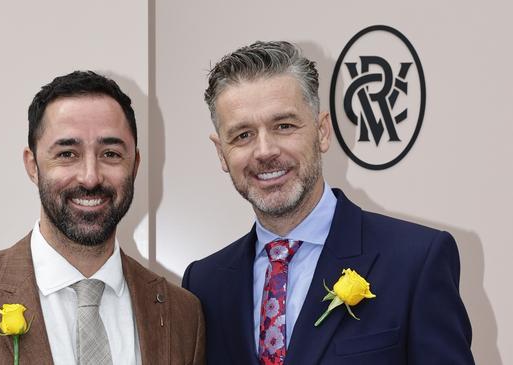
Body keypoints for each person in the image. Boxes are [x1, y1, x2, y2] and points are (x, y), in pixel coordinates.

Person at [181, 41, 474, 364]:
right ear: (222, 153)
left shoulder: (416, 261)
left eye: (284, 126)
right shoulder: (203, 284)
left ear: (322, 132)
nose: (264, 151)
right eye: (243, 135)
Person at [0, 71, 205, 365]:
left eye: (110, 153)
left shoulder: (183, 314)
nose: (90, 177)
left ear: (135, 165)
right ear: (32, 165)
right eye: (67, 154)